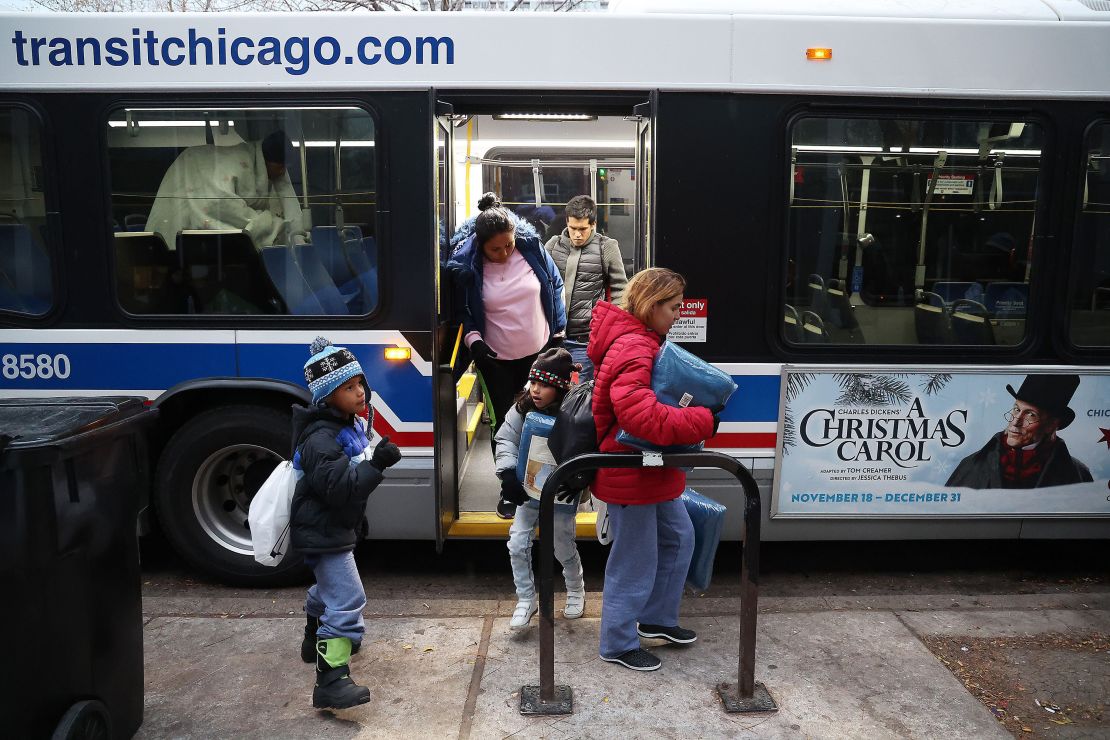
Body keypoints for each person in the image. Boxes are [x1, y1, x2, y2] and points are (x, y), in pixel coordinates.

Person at [587, 267, 720, 671]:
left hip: (650, 470)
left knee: (679, 538)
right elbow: (640, 417)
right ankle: (617, 642)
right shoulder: (634, 347)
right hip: (631, 471)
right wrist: (702, 420)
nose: (679, 315)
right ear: (652, 305)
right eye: (675, 307)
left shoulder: (642, 341)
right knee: (635, 560)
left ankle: (656, 620)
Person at [289, 337, 403, 709]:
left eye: (359, 384)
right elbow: (341, 488)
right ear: (326, 397)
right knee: (348, 598)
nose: (359, 393)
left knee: (327, 591)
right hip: (322, 530)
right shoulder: (321, 439)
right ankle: (331, 680)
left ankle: (313, 639)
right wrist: (378, 464)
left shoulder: (345, 425)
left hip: (331, 527)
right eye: (348, 388)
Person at [446, 195, 567, 519]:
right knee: (505, 423)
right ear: (480, 245)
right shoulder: (466, 266)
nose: (504, 253)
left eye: (508, 246)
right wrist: (474, 341)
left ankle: (543, 485)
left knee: (544, 418)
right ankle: (510, 490)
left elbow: (554, 284)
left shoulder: (530, 248)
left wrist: (558, 330)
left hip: (539, 352)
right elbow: (463, 312)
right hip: (496, 358)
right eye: (495, 250)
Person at [494, 348, 586, 629]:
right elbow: (506, 439)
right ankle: (525, 599)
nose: (535, 389)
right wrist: (509, 473)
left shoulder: (576, 411)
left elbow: (587, 446)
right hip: (527, 491)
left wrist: (579, 479)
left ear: (558, 386)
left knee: (562, 544)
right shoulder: (521, 409)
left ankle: (575, 589)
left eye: (544, 384)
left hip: (560, 492)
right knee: (517, 544)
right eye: (533, 382)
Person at [146, 130, 303, 249]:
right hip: (181, 212)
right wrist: (271, 225)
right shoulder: (237, 163)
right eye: (281, 167)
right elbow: (221, 205)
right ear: (266, 161)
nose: (282, 173)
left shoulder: (260, 167)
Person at [946, 374, 1093, 489]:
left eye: (1030, 414)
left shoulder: (1078, 474)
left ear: (1051, 425)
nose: (1015, 421)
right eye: (1016, 409)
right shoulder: (972, 465)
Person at [545, 195, 628, 381]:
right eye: (573, 228)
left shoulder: (607, 247)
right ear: (567, 222)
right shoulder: (552, 246)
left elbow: (620, 291)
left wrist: (609, 332)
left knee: (581, 398)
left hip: (585, 340)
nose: (577, 234)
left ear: (593, 224)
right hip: (554, 339)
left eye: (582, 229)